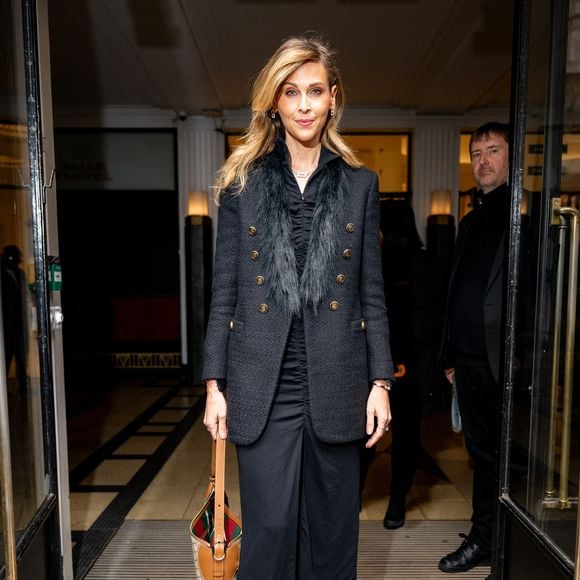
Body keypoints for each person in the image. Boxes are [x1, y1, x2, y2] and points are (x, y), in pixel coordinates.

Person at [202, 35, 394, 579]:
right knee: (270, 533)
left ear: (333, 97)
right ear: (275, 102)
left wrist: (381, 382)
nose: (305, 104)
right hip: (263, 382)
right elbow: (225, 292)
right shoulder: (241, 185)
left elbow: (370, 292)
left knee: (333, 532)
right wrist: (214, 385)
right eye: (292, 92)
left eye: (315, 91)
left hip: (338, 378)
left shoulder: (360, 184)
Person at [438, 122, 510, 574]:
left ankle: (494, 543)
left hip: (501, 362)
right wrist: (449, 357)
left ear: (511, 156)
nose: (483, 160)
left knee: (501, 459)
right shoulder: (471, 218)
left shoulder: (521, 215)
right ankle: (486, 536)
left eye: (493, 151)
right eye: (477, 153)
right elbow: (455, 292)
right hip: (466, 362)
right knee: (481, 456)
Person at [375, 202, 447, 530]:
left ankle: (389, 498)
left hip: (395, 368)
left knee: (390, 434)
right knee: (402, 435)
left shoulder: (384, 265)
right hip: (401, 368)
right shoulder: (426, 264)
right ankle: (395, 500)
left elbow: (426, 323)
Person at [1, 245, 28, 391]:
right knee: (5, 358)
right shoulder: (2, 275)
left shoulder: (20, 274)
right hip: (6, 327)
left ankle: (23, 388)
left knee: (22, 358)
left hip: (19, 324)